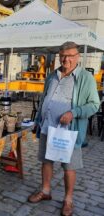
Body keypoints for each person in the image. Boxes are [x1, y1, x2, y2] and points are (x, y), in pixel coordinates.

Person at [28, 41, 100, 216]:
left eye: (70, 56)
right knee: (46, 161)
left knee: (69, 166)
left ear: (77, 57)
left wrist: (74, 112)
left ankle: (68, 200)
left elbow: (94, 105)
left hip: (69, 131)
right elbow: (46, 98)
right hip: (47, 127)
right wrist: (38, 120)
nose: (65, 59)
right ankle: (45, 191)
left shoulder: (85, 78)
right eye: (62, 56)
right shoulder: (52, 75)